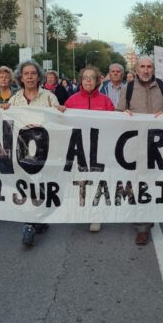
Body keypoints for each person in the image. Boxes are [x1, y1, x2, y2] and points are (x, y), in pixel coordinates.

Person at [1, 60, 59, 246]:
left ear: (39, 76)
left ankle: (37, 220)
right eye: (26, 74)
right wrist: (3, 111)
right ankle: (30, 224)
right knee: (28, 185)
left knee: (40, 184)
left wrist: (61, 112)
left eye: (33, 73)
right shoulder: (15, 100)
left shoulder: (49, 97)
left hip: (44, 150)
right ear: (20, 77)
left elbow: (59, 120)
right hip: (23, 151)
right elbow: (6, 122)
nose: (30, 77)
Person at [118, 56, 163, 245]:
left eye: (149, 66)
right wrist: (124, 114)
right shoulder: (129, 88)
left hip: (159, 146)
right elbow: (118, 114)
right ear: (136, 69)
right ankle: (142, 227)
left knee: (156, 182)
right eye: (142, 66)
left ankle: (152, 214)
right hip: (136, 146)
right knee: (139, 184)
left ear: (154, 69)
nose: (146, 70)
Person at [61, 66, 115, 233]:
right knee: (82, 180)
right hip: (79, 149)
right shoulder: (71, 101)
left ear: (98, 80)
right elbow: (63, 124)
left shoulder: (106, 101)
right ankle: (82, 210)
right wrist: (60, 112)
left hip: (100, 149)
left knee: (98, 181)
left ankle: (95, 215)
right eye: (85, 78)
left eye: (92, 77)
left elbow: (116, 124)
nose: (88, 80)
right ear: (81, 81)